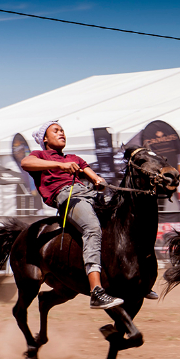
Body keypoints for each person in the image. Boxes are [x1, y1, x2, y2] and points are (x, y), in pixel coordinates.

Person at [21, 121, 124, 309]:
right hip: (68, 197)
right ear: (45, 139)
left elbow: (94, 177)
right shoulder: (39, 155)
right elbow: (25, 163)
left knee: (123, 221)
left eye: (62, 130)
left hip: (89, 194)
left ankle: (131, 279)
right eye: (56, 131)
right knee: (92, 229)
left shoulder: (75, 158)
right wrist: (60, 166)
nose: (61, 133)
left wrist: (99, 181)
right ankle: (96, 292)